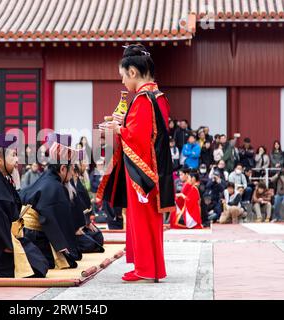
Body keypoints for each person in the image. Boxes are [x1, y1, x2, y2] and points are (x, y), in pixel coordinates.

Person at [98, 44, 175, 282]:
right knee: (147, 221)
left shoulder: (143, 99)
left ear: (133, 72)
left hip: (142, 172)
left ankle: (146, 269)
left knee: (141, 220)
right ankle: (149, 267)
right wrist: (123, 124)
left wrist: (117, 128)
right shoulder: (158, 96)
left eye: (123, 75)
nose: (122, 82)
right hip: (155, 168)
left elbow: (139, 137)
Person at [0, 132, 48, 278]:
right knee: (34, 269)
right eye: (13, 155)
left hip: (7, 239)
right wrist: (7, 246)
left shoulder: (1, 180)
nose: (17, 160)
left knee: (42, 261)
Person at [20, 133, 83, 270]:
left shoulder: (49, 180)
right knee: (62, 261)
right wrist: (65, 247)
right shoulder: (55, 187)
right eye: (72, 169)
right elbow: (51, 220)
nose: (73, 174)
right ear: (62, 169)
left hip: (30, 231)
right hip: (34, 234)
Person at [70, 164, 104, 253]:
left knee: (98, 237)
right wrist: (75, 228)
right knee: (89, 244)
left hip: (82, 223)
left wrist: (88, 223)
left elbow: (86, 206)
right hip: (71, 226)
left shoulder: (79, 184)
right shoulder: (64, 185)